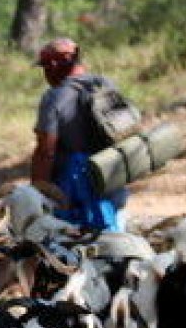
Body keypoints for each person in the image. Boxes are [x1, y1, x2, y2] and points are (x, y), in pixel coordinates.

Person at [31, 37, 127, 231]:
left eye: (45, 67)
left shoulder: (54, 97)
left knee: (73, 244)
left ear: (53, 66)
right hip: (112, 173)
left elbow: (46, 152)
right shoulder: (106, 84)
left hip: (75, 187)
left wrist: (37, 192)